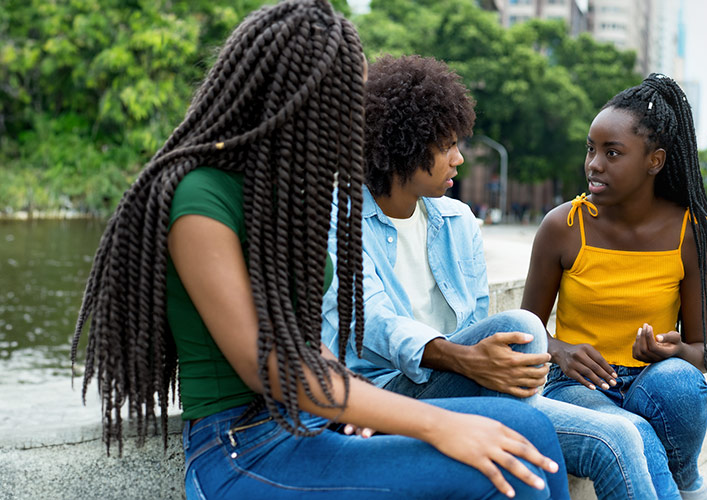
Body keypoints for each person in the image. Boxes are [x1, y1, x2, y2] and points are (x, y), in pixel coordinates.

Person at [68, 2, 565, 498]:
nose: (357, 123)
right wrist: (435, 424)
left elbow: (310, 345)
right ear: (293, 101)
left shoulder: (284, 198)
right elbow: (271, 367)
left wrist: (357, 409)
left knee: (530, 432)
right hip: (243, 449)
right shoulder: (201, 196)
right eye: (346, 104)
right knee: (508, 456)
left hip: (312, 424)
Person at [323, 54, 677, 500]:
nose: (459, 158)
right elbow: (372, 320)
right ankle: (528, 418)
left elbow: (473, 325)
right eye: (446, 145)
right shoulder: (339, 217)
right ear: (403, 144)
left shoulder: (458, 222)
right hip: (376, 395)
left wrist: (477, 364)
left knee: (622, 436)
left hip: (463, 388)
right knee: (524, 326)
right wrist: (461, 358)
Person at [521, 74, 707, 500]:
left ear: (654, 161)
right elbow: (524, 331)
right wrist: (559, 349)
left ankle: (685, 480)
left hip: (653, 384)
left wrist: (671, 352)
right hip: (577, 386)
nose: (594, 164)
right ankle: (691, 493)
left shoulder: (691, 232)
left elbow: (704, 352)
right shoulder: (564, 226)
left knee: (682, 383)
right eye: (591, 149)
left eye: (612, 153)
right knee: (629, 431)